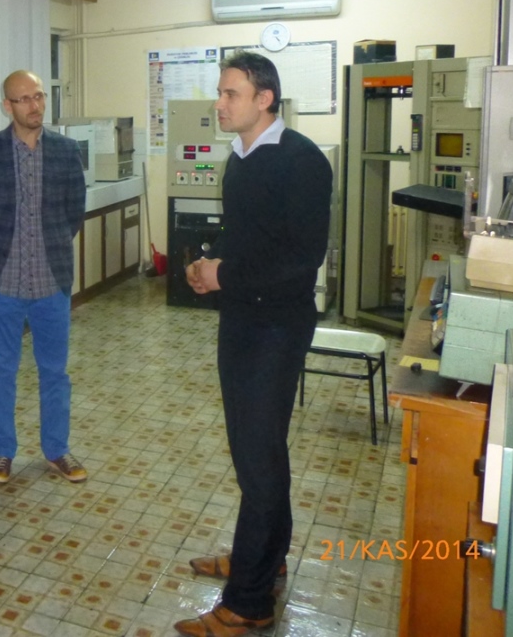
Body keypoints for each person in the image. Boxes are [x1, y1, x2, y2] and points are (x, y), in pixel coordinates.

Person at [178, 52, 331, 637]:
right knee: (256, 450)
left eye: (230, 94)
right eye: (220, 93)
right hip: (242, 319)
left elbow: (300, 260)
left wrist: (226, 274)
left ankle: (248, 602)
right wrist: (210, 262)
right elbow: (244, 236)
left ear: (264, 99)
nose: (219, 104)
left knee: (258, 458)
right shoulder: (239, 158)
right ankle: (265, 560)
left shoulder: (301, 161)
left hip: (276, 327)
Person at [0, 69, 87, 485]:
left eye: (39, 96)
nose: (35, 105)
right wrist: (6, 246)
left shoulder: (67, 151)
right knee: (2, 371)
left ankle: (57, 450)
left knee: (55, 372)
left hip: (52, 281)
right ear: (7, 106)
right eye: (24, 99)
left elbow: (74, 211)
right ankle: (2, 452)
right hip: (3, 281)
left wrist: (51, 245)